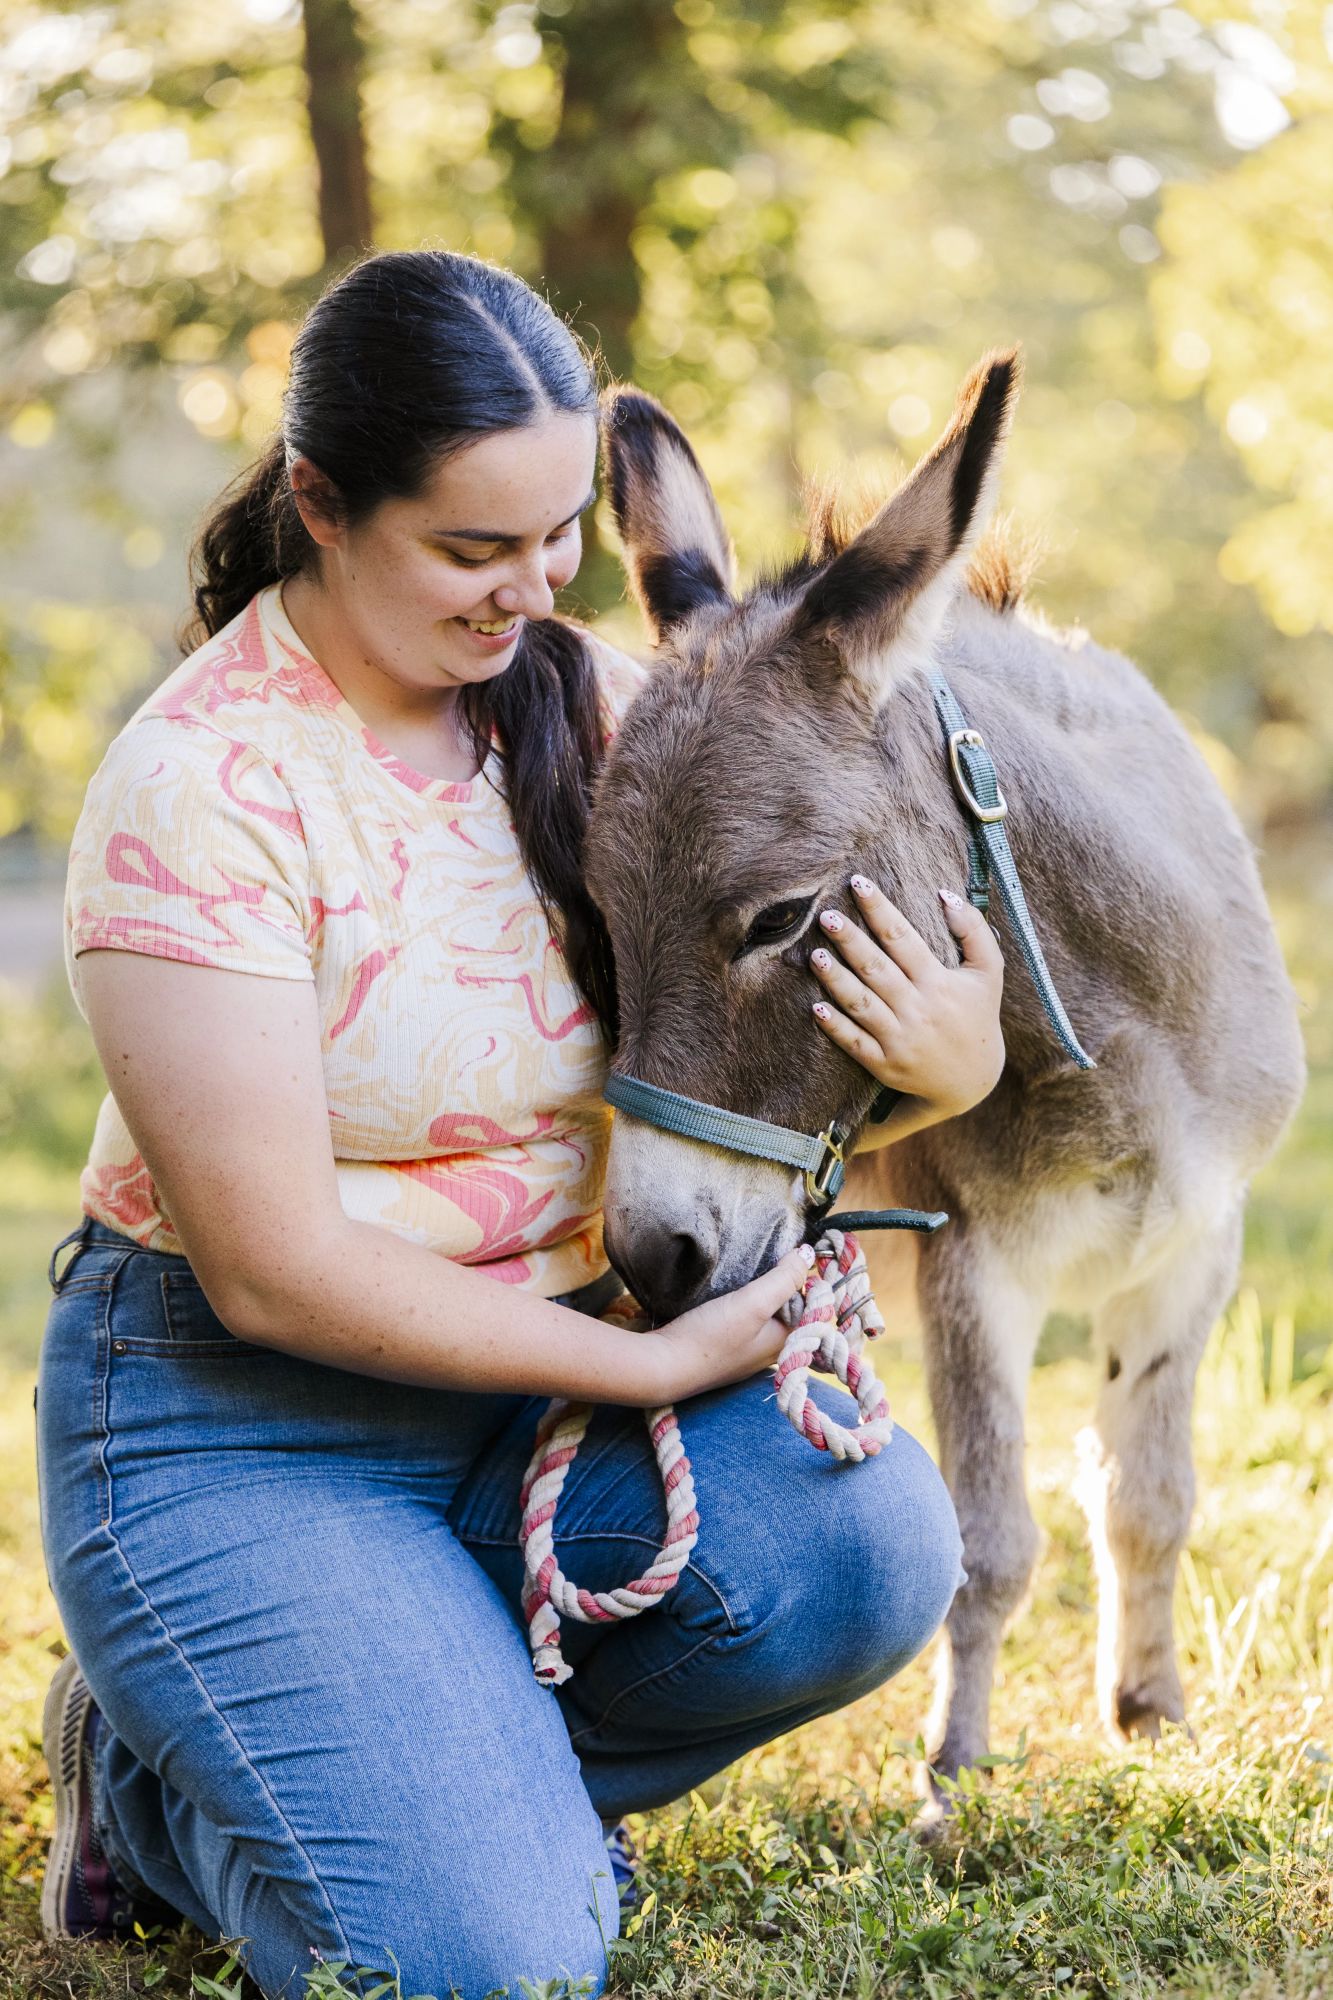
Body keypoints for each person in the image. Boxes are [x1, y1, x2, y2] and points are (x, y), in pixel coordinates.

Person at [35, 249, 1004, 2000]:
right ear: (320, 505)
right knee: (482, 1963)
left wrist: (954, 1066)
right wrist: (647, 1372)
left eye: (557, 536)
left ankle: (416, 1739)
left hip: (535, 1389)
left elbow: (749, 1024)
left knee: (868, 1558)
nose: (532, 590)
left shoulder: (613, 712)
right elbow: (269, 1272)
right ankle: (154, 1781)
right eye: (472, 550)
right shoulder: (200, 790)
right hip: (257, 1419)